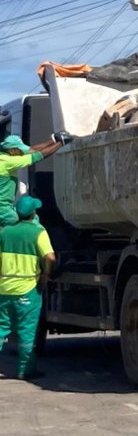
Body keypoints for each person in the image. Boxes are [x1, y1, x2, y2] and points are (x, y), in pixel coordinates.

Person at [0, 195, 55, 379]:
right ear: (33, 213)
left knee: (1, 328)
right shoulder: (38, 232)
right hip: (28, 289)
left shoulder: (5, 232)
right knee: (26, 331)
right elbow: (50, 257)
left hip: (4, 288)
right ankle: (25, 370)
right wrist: (46, 275)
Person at [0, 132, 73, 227]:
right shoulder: (7, 161)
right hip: (3, 207)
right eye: (20, 150)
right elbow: (36, 157)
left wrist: (53, 141)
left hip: (6, 206)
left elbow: (31, 150)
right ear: (12, 150)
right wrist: (61, 144)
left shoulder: (7, 155)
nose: (22, 152)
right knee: (18, 230)